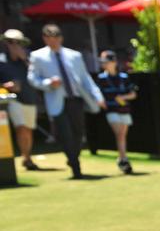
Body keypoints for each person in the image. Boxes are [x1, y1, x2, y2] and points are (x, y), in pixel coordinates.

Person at [27, 24, 104, 179]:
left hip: (75, 99)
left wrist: (98, 96)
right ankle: (76, 167)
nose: (53, 41)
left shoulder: (74, 55)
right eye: (49, 38)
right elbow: (32, 78)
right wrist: (48, 83)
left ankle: (73, 157)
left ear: (61, 38)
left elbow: (85, 78)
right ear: (44, 39)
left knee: (78, 133)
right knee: (65, 134)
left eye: (55, 37)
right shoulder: (38, 56)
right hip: (57, 100)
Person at [1, 29, 40, 170]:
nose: (14, 45)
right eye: (11, 42)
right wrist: (7, 86)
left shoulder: (29, 58)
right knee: (21, 128)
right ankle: (27, 158)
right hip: (13, 100)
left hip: (29, 97)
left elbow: (37, 75)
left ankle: (27, 156)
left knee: (28, 129)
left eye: (17, 42)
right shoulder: (1, 60)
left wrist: (24, 59)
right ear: (6, 43)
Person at [95, 50, 137, 174]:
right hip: (111, 110)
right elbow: (97, 93)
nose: (104, 64)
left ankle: (122, 158)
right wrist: (100, 101)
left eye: (106, 62)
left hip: (124, 109)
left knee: (122, 135)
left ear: (114, 62)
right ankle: (124, 159)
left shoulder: (124, 77)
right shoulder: (101, 78)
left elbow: (133, 94)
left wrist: (123, 98)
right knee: (119, 133)